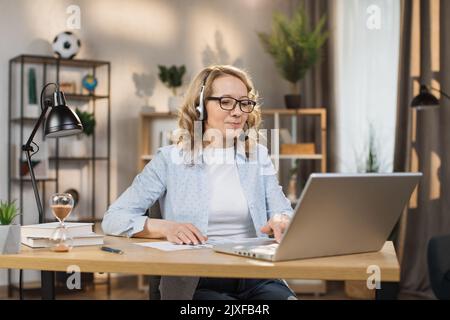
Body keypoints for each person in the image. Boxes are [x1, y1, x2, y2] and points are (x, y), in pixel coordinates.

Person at [102, 65, 297, 300]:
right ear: (200, 106)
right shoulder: (170, 159)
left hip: (257, 273)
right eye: (226, 101)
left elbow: (282, 210)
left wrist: (281, 219)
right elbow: (114, 218)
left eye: (244, 103)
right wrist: (165, 227)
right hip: (196, 281)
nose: (238, 112)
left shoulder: (258, 156)